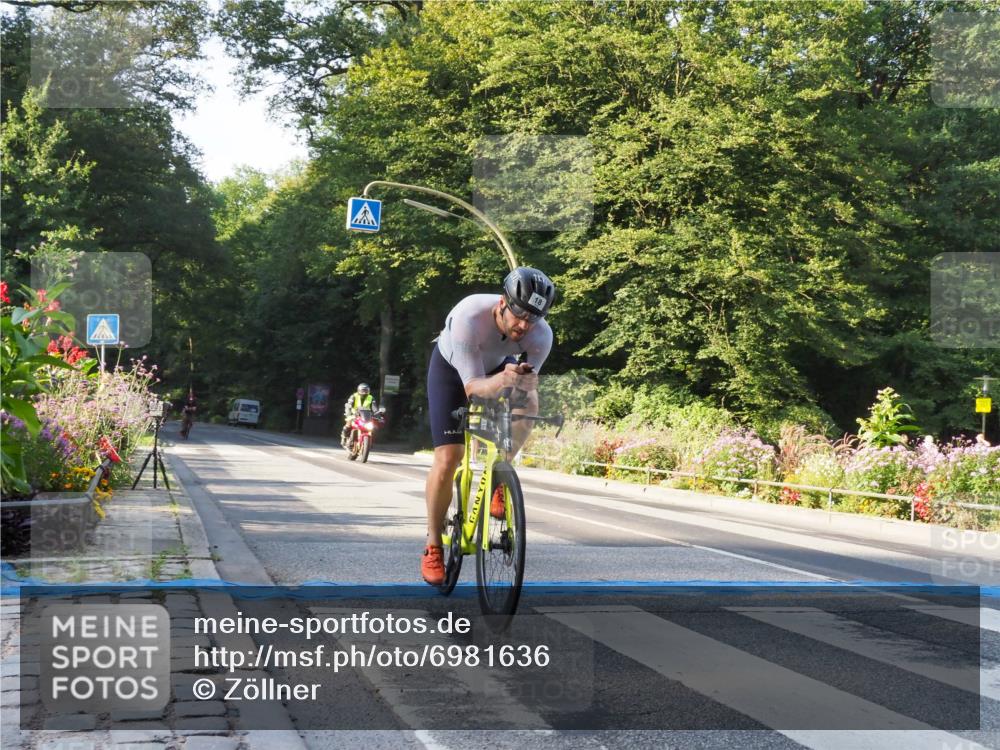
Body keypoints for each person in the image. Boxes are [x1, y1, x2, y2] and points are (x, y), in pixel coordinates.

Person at [421, 267, 555, 585]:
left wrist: (521, 382)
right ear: (501, 304)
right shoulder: (469, 317)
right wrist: (500, 380)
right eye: (518, 313)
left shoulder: (542, 336)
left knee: (530, 400)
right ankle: (433, 544)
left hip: (497, 368)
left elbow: (522, 384)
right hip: (454, 371)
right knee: (448, 457)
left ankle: (500, 475)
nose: (523, 324)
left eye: (532, 318)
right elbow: (472, 389)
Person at [341, 383, 377, 447]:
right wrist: (348, 412)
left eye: (366, 390)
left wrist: (377, 414)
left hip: (366, 416)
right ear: (359, 390)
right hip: (354, 414)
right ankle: (344, 438)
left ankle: (368, 443)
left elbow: (374, 408)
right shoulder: (354, 396)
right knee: (348, 425)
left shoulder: (371, 398)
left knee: (373, 427)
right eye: (363, 390)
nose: (364, 392)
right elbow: (349, 405)